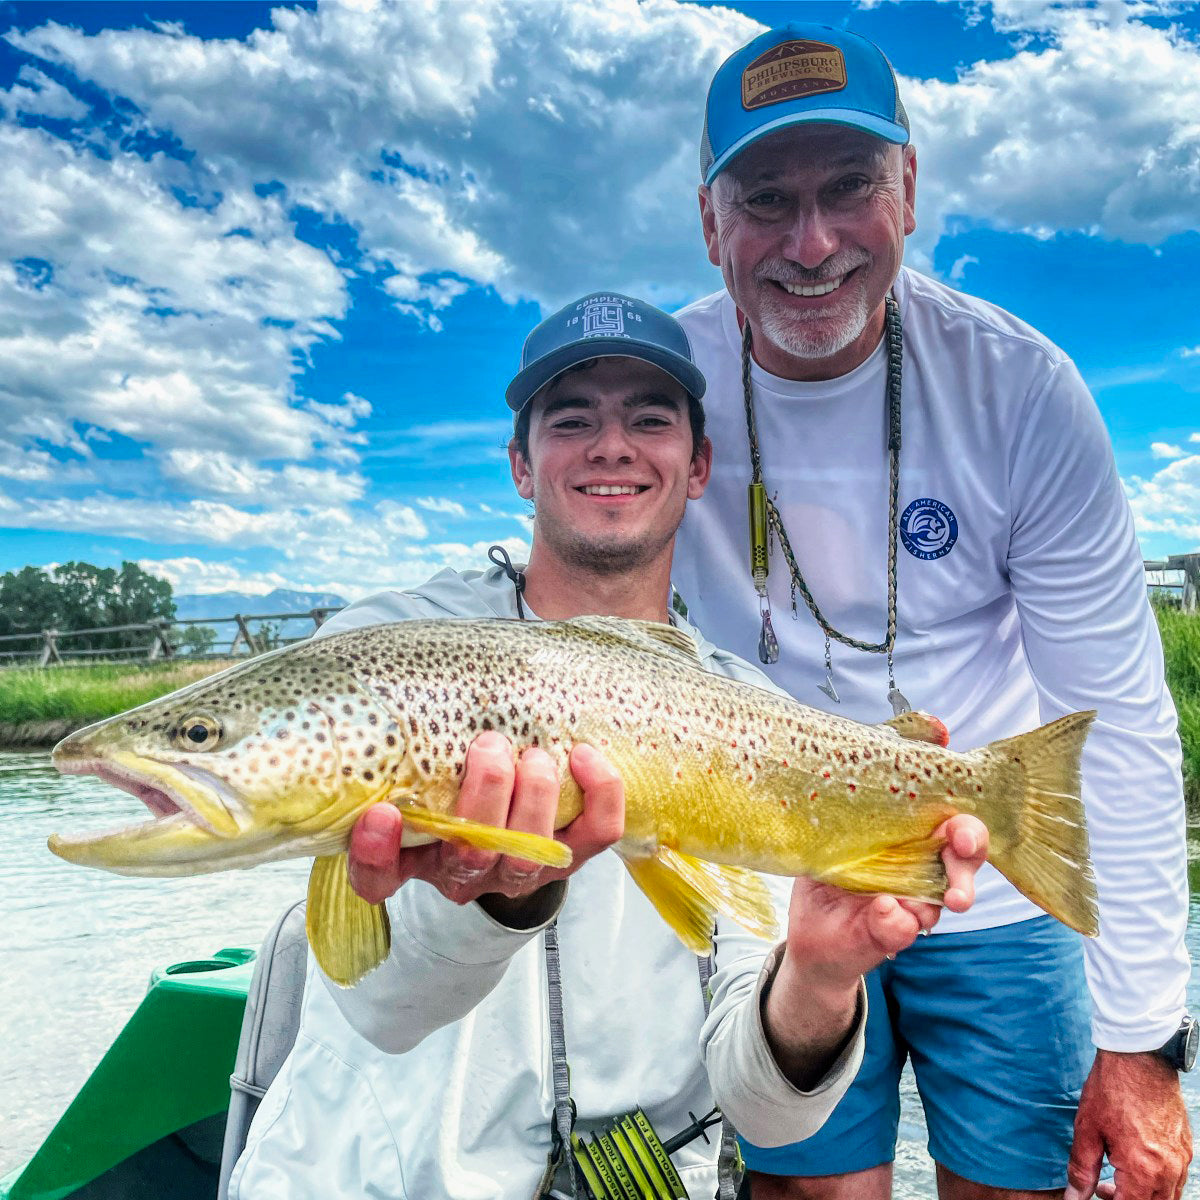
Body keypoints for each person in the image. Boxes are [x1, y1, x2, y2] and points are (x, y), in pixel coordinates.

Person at [228, 292, 988, 1200]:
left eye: (650, 419)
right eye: (572, 419)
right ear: (519, 463)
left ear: (699, 464)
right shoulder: (386, 653)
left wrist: (821, 979)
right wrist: (498, 903)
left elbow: (767, 1113)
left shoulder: (743, 718)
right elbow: (379, 1011)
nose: (611, 446)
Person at [669, 22, 1194, 1200]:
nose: (812, 243)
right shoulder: (662, 400)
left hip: (1001, 878)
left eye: (850, 186)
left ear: (909, 186)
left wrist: (1148, 1041)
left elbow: (1116, 722)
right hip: (778, 894)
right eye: (765, 197)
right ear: (710, 223)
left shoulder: (1022, 389)